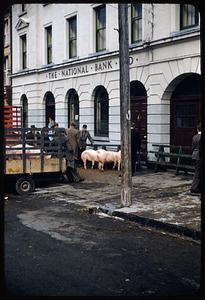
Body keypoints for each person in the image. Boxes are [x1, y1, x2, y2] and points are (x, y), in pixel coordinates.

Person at [190, 122, 201, 194]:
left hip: (194, 155)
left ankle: (195, 187)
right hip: (200, 156)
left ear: (197, 129)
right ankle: (194, 188)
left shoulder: (194, 137)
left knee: (197, 172)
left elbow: (193, 147)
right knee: (198, 173)